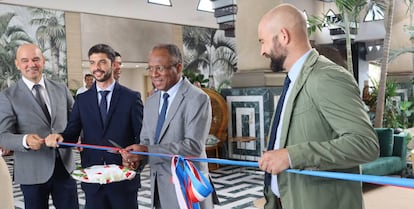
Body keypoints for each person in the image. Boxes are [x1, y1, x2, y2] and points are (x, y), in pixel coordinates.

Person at [257, 4, 379, 209]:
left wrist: (291, 156)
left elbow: (365, 144)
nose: (262, 51)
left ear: (283, 36)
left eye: (263, 42)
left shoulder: (327, 76)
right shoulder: (293, 80)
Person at [45, 43, 143, 209]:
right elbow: (72, 131)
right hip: (93, 179)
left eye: (102, 62)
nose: (96, 67)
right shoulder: (82, 99)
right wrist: (60, 137)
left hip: (123, 178)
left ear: (113, 64)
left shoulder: (131, 98)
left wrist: (137, 159)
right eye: (92, 62)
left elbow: (141, 136)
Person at [120, 44, 214, 209]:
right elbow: (146, 141)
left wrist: (147, 151)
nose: (154, 74)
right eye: (151, 68)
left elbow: (193, 147)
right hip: (159, 190)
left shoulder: (197, 99)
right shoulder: (150, 102)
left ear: (178, 67)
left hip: (187, 190)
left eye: (160, 68)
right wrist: (136, 159)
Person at [0, 43, 78, 209]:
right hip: (31, 172)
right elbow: (3, 136)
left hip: (64, 168)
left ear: (43, 61)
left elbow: (76, 121)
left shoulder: (61, 89)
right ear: (17, 64)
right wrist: (25, 140)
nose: (31, 64)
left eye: (36, 59)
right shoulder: (8, 96)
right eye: (25, 60)